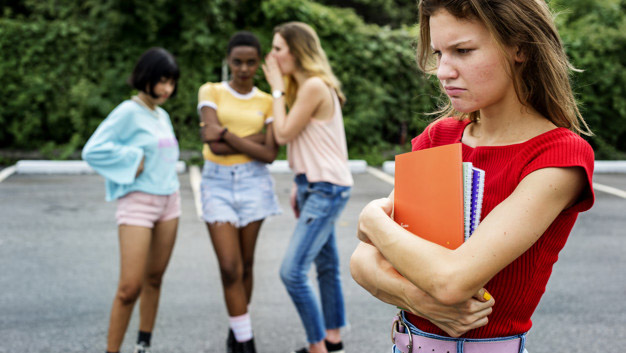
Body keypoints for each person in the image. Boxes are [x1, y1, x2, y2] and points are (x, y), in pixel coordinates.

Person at [350, 1, 595, 352]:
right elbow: (362, 262)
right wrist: (418, 300)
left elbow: (452, 281)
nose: (443, 71)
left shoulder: (559, 156)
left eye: (463, 51)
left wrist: (372, 219)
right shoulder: (439, 138)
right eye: (439, 53)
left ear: (520, 47)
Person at [82, 47, 181, 353]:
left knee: (154, 279)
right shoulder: (128, 111)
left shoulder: (161, 115)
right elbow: (92, 150)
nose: (167, 89)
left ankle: (143, 346)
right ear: (146, 78)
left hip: (170, 202)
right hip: (138, 203)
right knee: (129, 288)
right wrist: (131, 157)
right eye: (162, 81)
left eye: (171, 82)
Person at [262, 22, 353, 353]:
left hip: (326, 189)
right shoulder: (304, 86)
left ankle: (317, 348)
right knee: (326, 266)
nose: (271, 56)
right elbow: (304, 141)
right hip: (313, 185)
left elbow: (284, 133)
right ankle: (333, 340)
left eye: (277, 48)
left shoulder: (314, 85)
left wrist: (274, 88)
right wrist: (299, 182)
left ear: (297, 51)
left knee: (292, 272)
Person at [197, 31, 281, 353]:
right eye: (237, 62)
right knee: (229, 267)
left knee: (246, 265)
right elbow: (211, 144)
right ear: (228, 62)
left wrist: (227, 133)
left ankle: (237, 328)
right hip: (216, 183)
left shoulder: (266, 100)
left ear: (258, 63)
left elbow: (271, 154)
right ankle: (246, 342)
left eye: (250, 62)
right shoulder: (211, 90)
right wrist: (255, 139)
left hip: (254, 184)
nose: (243, 69)